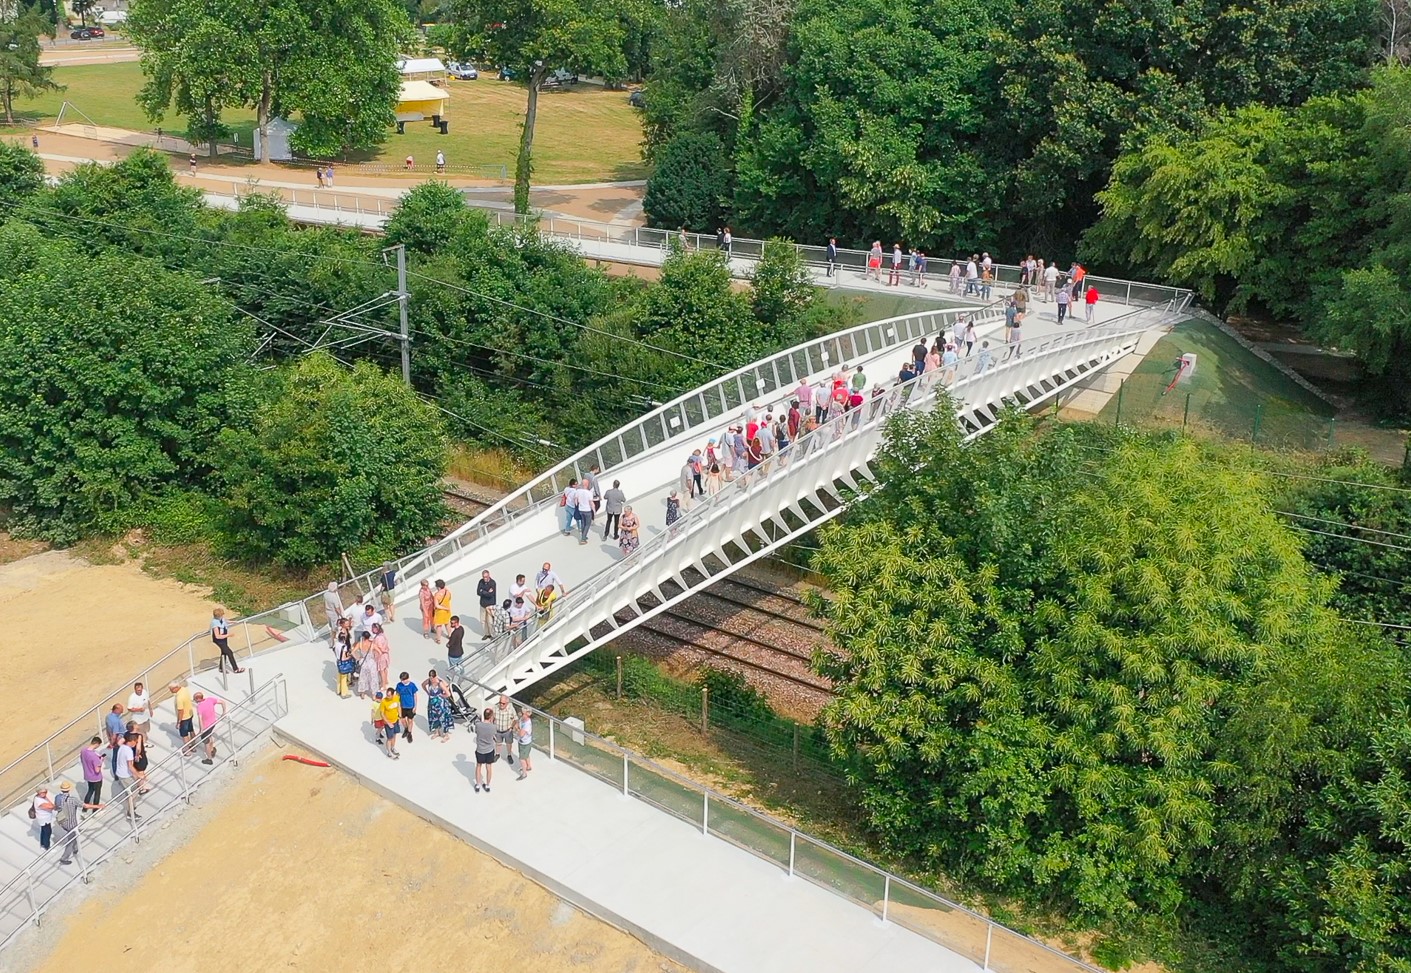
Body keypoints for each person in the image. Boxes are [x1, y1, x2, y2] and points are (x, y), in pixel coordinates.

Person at [54, 781, 93, 865]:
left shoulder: (57, 797)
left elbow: (56, 807)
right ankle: (64, 858)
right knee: (71, 840)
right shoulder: (72, 800)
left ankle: (75, 848)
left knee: (74, 835)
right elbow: (85, 806)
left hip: (62, 821)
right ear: (69, 790)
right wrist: (98, 806)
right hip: (71, 824)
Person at [194, 691, 225, 765]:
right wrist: (224, 712)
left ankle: (209, 758)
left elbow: (200, 719)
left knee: (206, 742)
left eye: (194, 699)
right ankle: (212, 749)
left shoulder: (199, 707)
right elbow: (223, 702)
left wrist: (201, 730)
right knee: (210, 736)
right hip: (213, 723)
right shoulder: (210, 699)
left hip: (206, 727)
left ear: (197, 699)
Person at [211, 608, 245, 673]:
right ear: (219, 616)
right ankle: (236, 669)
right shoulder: (215, 624)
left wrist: (233, 622)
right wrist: (228, 635)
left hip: (223, 639)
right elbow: (217, 636)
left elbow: (225, 621)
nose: (223, 616)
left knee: (224, 653)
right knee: (229, 652)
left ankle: (221, 668)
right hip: (219, 641)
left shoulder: (220, 619)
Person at [114, 732, 138, 819]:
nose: (136, 743)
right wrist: (139, 775)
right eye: (135, 741)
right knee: (133, 793)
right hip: (125, 776)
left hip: (120, 773)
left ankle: (131, 808)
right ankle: (130, 812)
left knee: (132, 792)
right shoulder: (129, 751)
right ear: (131, 741)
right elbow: (130, 766)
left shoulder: (122, 747)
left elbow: (120, 742)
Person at [423, 670, 452, 742]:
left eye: (432, 678)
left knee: (443, 718)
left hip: (440, 703)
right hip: (432, 703)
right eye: (430, 678)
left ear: (435, 676)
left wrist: (442, 696)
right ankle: (437, 732)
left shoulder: (440, 683)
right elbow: (423, 684)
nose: (431, 680)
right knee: (434, 717)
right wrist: (427, 692)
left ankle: (446, 735)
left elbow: (448, 694)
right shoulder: (429, 681)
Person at [473, 708, 497, 792]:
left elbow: (476, 731)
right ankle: (487, 785)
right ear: (491, 716)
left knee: (479, 766)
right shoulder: (493, 727)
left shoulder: (478, 725)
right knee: (489, 767)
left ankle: (478, 784)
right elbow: (494, 735)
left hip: (480, 749)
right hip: (489, 750)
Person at [170, 680, 195, 753]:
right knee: (191, 730)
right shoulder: (185, 689)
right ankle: (193, 746)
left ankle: (187, 750)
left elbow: (180, 711)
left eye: (171, 689)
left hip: (184, 718)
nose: (170, 691)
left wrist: (178, 722)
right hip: (190, 714)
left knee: (184, 735)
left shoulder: (179, 698)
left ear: (176, 688)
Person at [80, 737, 104, 810]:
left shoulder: (83, 750)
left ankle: (85, 808)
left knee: (90, 791)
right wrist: (101, 761)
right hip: (96, 778)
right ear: (97, 744)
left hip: (88, 776)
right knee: (97, 793)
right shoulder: (94, 756)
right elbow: (97, 770)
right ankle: (95, 810)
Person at [493, 695, 518, 764]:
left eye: (503, 703)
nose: (501, 705)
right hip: (497, 730)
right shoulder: (495, 708)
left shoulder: (511, 709)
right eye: (500, 702)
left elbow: (515, 719)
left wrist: (511, 727)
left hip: (507, 730)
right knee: (498, 743)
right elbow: (492, 718)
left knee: (509, 743)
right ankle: (497, 754)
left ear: (507, 703)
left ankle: (509, 755)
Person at [395, 672, 418, 743]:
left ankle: (409, 733)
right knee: (402, 719)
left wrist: (415, 706)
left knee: (410, 720)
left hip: (410, 706)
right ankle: (406, 728)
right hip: (402, 706)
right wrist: (397, 706)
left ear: (407, 679)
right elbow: (397, 695)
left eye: (403, 680)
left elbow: (415, 696)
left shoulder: (412, 685)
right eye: (401, 680)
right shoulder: (399, 685)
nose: (402, 681)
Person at [377, 691, 401, 759]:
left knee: (394, 735)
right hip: (388, 723)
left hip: (395, 720)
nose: (387, 696)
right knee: (389, 738)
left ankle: (393, 748)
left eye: (389, 695)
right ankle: (389, 752)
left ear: (393, 695)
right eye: (387, 695)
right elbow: (382, 714)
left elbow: (398, 707)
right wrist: (388, 722)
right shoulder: (384, 702)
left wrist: (400, 716)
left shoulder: (396, 698)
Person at [355, 634, 379, 698]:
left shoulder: (359, 644)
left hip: (363, 662)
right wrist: (375, 658)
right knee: (373, 678)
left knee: (363, 677)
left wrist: (358, 658)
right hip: (371, 662)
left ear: (363, 637)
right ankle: (374, 694)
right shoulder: (372, 644)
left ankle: (362, 693)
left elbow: (353, 652)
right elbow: (380, 652)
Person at [475, 571, 497, 638]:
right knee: (483, 621)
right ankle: (487, 633)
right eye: (484, 577)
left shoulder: (492, 583)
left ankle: (493, 634)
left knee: (490, 621)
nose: (485, 578)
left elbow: (491, 594)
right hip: (483, 604)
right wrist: (486, 592)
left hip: (490, 605)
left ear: (489, 575)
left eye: (486, 577)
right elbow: (478, 592)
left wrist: (483, 591)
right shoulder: (481, 582)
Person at [573, 478, 596, 544]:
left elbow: (575, 499)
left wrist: (577, 505)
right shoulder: (589, 493)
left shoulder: (578, 491)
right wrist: (594, 511)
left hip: (581, 509)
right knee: (587, 524)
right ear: (587, 484)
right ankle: (583, 538)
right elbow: (591, 503)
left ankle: (584, 536)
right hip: (587, 510)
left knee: (583, 523)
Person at [105, 703, 125, 776]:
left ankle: (115, 773)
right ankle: (119, 774)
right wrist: (112, 743)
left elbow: (108, 729)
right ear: (116, 710)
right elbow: (115, 734)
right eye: (121, 710)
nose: (122, 712)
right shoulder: (116, 721)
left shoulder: (108, 717)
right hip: (119, 741)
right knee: (119, 757)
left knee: (115, 758)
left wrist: (110, 740)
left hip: (114, 740)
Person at [323, 581, 343, 647]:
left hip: (328, 612)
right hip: (333, 614)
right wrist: (341, 615)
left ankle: (333, 640)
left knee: (332, 627)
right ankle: (333, 643)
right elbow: (337, 608)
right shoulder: (334, 597)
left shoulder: (325, 594)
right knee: (335, 628)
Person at [431, 579, 452, 644]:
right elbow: (449, 598)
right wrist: (446, 608)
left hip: (440, 612)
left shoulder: (437, 595)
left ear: (438, 587)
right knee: (447, 623)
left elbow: (437, 606)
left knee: (439, 626)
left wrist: (444, 608)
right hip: (447, 611)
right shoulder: (448, 592)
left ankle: (438, 639)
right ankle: (450, 635)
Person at [515, 709, 533, 781]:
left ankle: (524, 773)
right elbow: (517, 724)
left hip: (525, 743)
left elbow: (521, 734)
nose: (521, 714)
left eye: (522, 713)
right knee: (526, 755)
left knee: (522, 758)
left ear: (527, 714)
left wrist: (517, 730)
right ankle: (528, 766)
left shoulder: (527, 724)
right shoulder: (522, 719)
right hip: (522, 741)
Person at [371, 624, 391, 689]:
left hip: (381, 656)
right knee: (385, 669)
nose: (372, 629)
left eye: (373, 628)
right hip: (385, 655)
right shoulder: (382, 635)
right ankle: (386, 681)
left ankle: (383, 685)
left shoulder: (378, 638)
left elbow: (380, 647)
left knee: (381, 670)